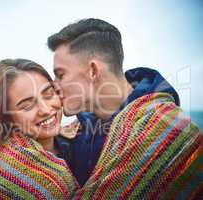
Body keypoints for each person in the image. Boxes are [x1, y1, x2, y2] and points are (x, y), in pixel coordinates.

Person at [47, 18, 203, 199]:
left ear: (93, 71)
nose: (54, 85)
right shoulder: (75, 132)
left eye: (60, 75)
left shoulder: (172, 131)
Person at [0, 59, 79, 199]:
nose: (45, 109)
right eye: (27, 106)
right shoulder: (8, 171)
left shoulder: (78, 143)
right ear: (7, 117)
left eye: (49, 94)